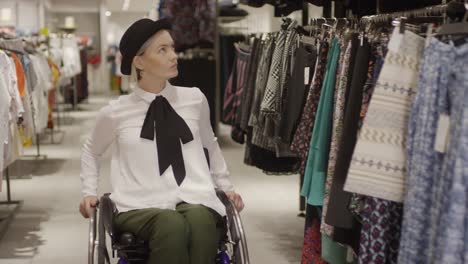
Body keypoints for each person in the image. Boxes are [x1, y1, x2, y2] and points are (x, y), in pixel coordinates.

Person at [78, 18, 244, 264]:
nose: (174, 56)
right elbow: (91, 150)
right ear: (139, 61)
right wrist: (88, 192)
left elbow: (210, 143)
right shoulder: (116, 112)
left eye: (173, 48)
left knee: (201, 220)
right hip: (136, 203)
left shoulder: (194, 99)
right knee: (171, 223)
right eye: (162, 50)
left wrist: (226, 185)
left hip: (193, 194)